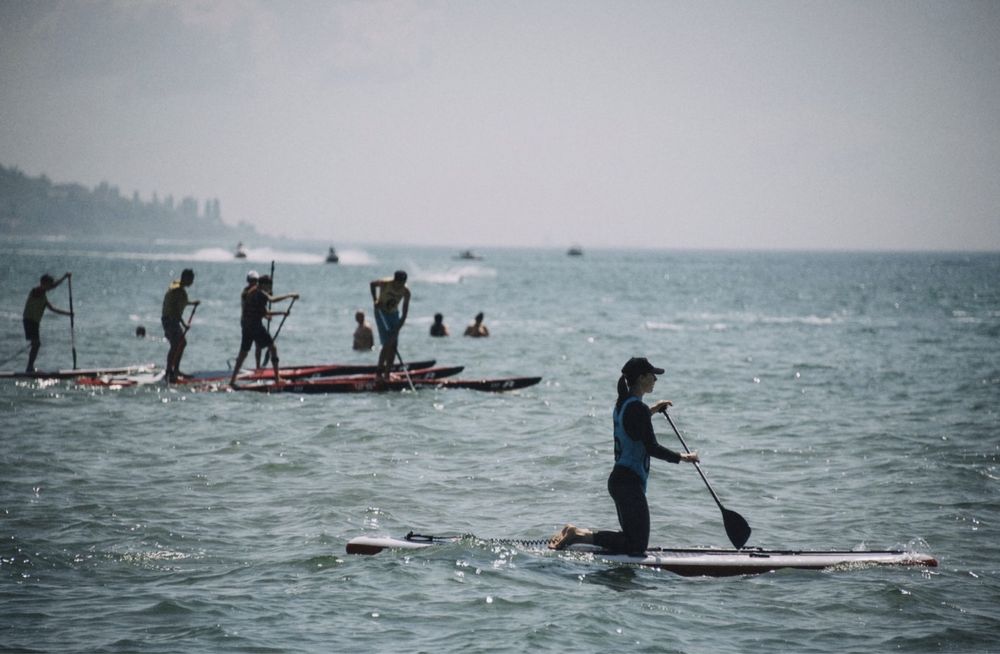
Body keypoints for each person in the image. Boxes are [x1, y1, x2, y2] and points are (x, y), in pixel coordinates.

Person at [549, 357, 700, 554]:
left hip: (621, 481)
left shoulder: (623, 405)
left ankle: (579, 533)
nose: (656, 379)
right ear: (641, 378)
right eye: (652, 375)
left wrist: (652, 410)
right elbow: (651, 447)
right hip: (629, 484)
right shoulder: (637, 409)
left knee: (633, 540)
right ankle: (578, 534)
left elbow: (634, 427)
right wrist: (683, 457)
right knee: (636, 546)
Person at [229, 275, 298, 386]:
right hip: (255, 326)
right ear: (263, 284)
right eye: (269, 285)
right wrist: (290, 295)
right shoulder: (259, 292)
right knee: (272, 348)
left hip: (247, 326)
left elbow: (265, 313)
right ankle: (277, 378)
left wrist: (282, 313)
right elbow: (272, 300)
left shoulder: (253, 291)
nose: (270, 288)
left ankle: (232, 381)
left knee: (243, 354)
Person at [22, 273, 73, 372]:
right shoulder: (36, 291)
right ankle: (29, 368)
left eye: (50, 285)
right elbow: (54, 286)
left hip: (34, 322)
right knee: (36, 344)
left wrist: (68, 314)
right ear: (42, 283)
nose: (50, 287)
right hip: (29, 320)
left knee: (36, 344)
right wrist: (64, 277)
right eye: (48, 285)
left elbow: (53, 309)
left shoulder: (43, 297)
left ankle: (30, 367)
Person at [369, 270, 411, 379]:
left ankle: (387, 374)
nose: (400, 286)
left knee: (394, 345)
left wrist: (398, 328)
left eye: (403, 283)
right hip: (381, 313)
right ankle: (379, 373)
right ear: (394, 280)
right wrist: (375, 300)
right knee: (387, 343)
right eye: (398, 283)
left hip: (394, 315)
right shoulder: (385, 283)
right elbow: (372, 284)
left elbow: (405, 314)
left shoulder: (406, 291)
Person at [161, 268, 199, 382]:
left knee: (181, 343)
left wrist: (192, 303)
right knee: (176, 345)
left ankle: (174, 370)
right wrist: (184, 325)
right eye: (191, 279)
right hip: (170, 320)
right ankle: (170, 371)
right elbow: (176, 311)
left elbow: (181, 302)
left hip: (169, 319)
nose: (192, 282)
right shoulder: (179, 291)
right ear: (186, 279)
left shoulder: (176, 285)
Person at [241, 270, 265, 368]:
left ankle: (258, 367)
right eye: (251, 281)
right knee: (245, 350)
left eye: (255, 281)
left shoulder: (257, 292)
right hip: (248, 322)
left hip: (255, 321)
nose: (253, 283)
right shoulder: (246, 293)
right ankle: (238, 368)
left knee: (258, 346)